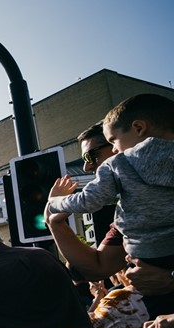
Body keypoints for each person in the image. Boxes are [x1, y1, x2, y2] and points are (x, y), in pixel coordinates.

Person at [47, 94, 174, 315]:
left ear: (138, 128)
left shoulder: (118, 164)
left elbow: (89, 201)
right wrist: (55, 223)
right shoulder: (128, 212)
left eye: (91, 157)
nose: (87, 168)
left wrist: (56, 202)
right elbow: (98, 267)